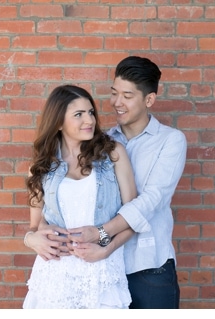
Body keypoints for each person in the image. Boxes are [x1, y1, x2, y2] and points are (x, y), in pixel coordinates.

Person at [66, 56, 188, 308]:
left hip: (148, 267)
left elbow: (151, 200)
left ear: (149, 99)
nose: (117, 103)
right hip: (103, 269)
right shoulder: (100, 142)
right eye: (114, 93)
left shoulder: (170, 140)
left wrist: (101, 234)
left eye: (127, 96)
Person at [21, 85, 138, 308]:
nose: (89, 120)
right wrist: (32, 239)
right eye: (79, 114)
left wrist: (105, 250)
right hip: (54, 277)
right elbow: (36, 225)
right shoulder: (41, 166)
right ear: (58, 122)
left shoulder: (113, 154)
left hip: (101, 275)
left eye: (91, 112)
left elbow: (133, 217)